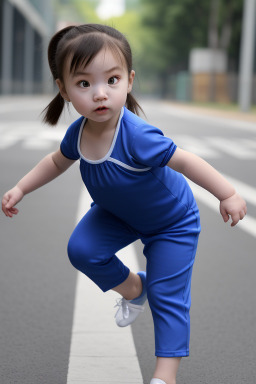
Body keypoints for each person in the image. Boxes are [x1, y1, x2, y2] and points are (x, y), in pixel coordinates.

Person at [1, 24, 247, 384]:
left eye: (111, 80)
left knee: (168, 295)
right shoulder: (79, 132)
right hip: (116, 215)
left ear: (129, 80)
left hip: (171, 223)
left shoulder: (137, 136)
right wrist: (21, 188)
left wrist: (227, 193)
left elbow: (186, 161)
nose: (100, 94)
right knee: (82, 249)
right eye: (84, 84)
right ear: (64, 89)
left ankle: (166, 376)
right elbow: (56, 161)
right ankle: (134, 287)